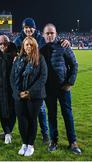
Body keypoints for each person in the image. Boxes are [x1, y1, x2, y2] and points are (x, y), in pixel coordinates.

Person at [41, 23, 81, 154]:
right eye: (47, 33)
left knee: (67, 115)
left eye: (52, 33)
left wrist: (70, 82)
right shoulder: (40, 50)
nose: (50, 35)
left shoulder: (64, 46)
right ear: (43, 35)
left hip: (63, 88)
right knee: (51, 115)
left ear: (56, 34)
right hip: (48, 89)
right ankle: (53, 141)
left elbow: (74, 64)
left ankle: (73, 142)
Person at [13, 18, 49, 143]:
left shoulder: (41, 38)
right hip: (24, 81)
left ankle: (45, 133)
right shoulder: (18, 39)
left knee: (41, 110)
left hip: (37, 77)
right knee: (25, 111)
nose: (28, 29)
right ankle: (26, 136)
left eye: (30, 27)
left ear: (35, 28)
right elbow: (13, 51)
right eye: (25, 27)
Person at [10, 37, 47, 156]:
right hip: (19, 95)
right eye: (26, 45)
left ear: (35, 46)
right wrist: (17, 92)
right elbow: (12, 77)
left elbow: (43, 78)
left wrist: (29, 92)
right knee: (22, 120)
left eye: (31, 45)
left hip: (34, 96)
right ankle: (24, 143)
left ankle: (30, 145)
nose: (28, 47)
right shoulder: (18, 59)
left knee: (32, 119)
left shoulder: (40, 58)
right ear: (23, 46)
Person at [0, 35, 17, 144]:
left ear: (9, 43)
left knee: (13, 111)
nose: (3, 46)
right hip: (0, 89)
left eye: (5, 43)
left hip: (13, 88)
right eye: (0, 43)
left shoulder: (16, 54)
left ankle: (8, 132)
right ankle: (7, 132)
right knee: (2, 111)